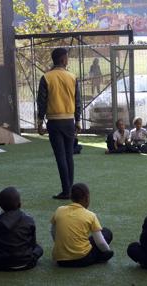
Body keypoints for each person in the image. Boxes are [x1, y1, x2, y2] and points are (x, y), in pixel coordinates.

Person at [37, 48, 82, 200]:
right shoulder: (72, 77)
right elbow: (78, 101)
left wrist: (39, 121)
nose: (67, 60)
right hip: (69, 121)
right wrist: (78, 120)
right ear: (63, 60)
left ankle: (66, 190)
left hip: (54, 122)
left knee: (60, 157)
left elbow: (41, 101)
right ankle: (71, 190)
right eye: (67, 58)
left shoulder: (46, 77)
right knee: (69, 156)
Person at [0, 187, 43, 271]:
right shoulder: (29, 219)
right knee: (39, 248)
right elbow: (32, 245)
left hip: (0, 263)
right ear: (20, 203)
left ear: (0, 205)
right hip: (27, 263)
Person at [51, 183, 114, 267]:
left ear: (71, 197)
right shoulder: (90, 215)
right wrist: (108, 251)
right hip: (82, 259)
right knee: (106, 233)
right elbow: (100, 243)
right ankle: (99, 257)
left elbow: (53, 232)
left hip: (61, 261)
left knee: (89, 239)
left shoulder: (59, 210)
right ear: (86, 198)